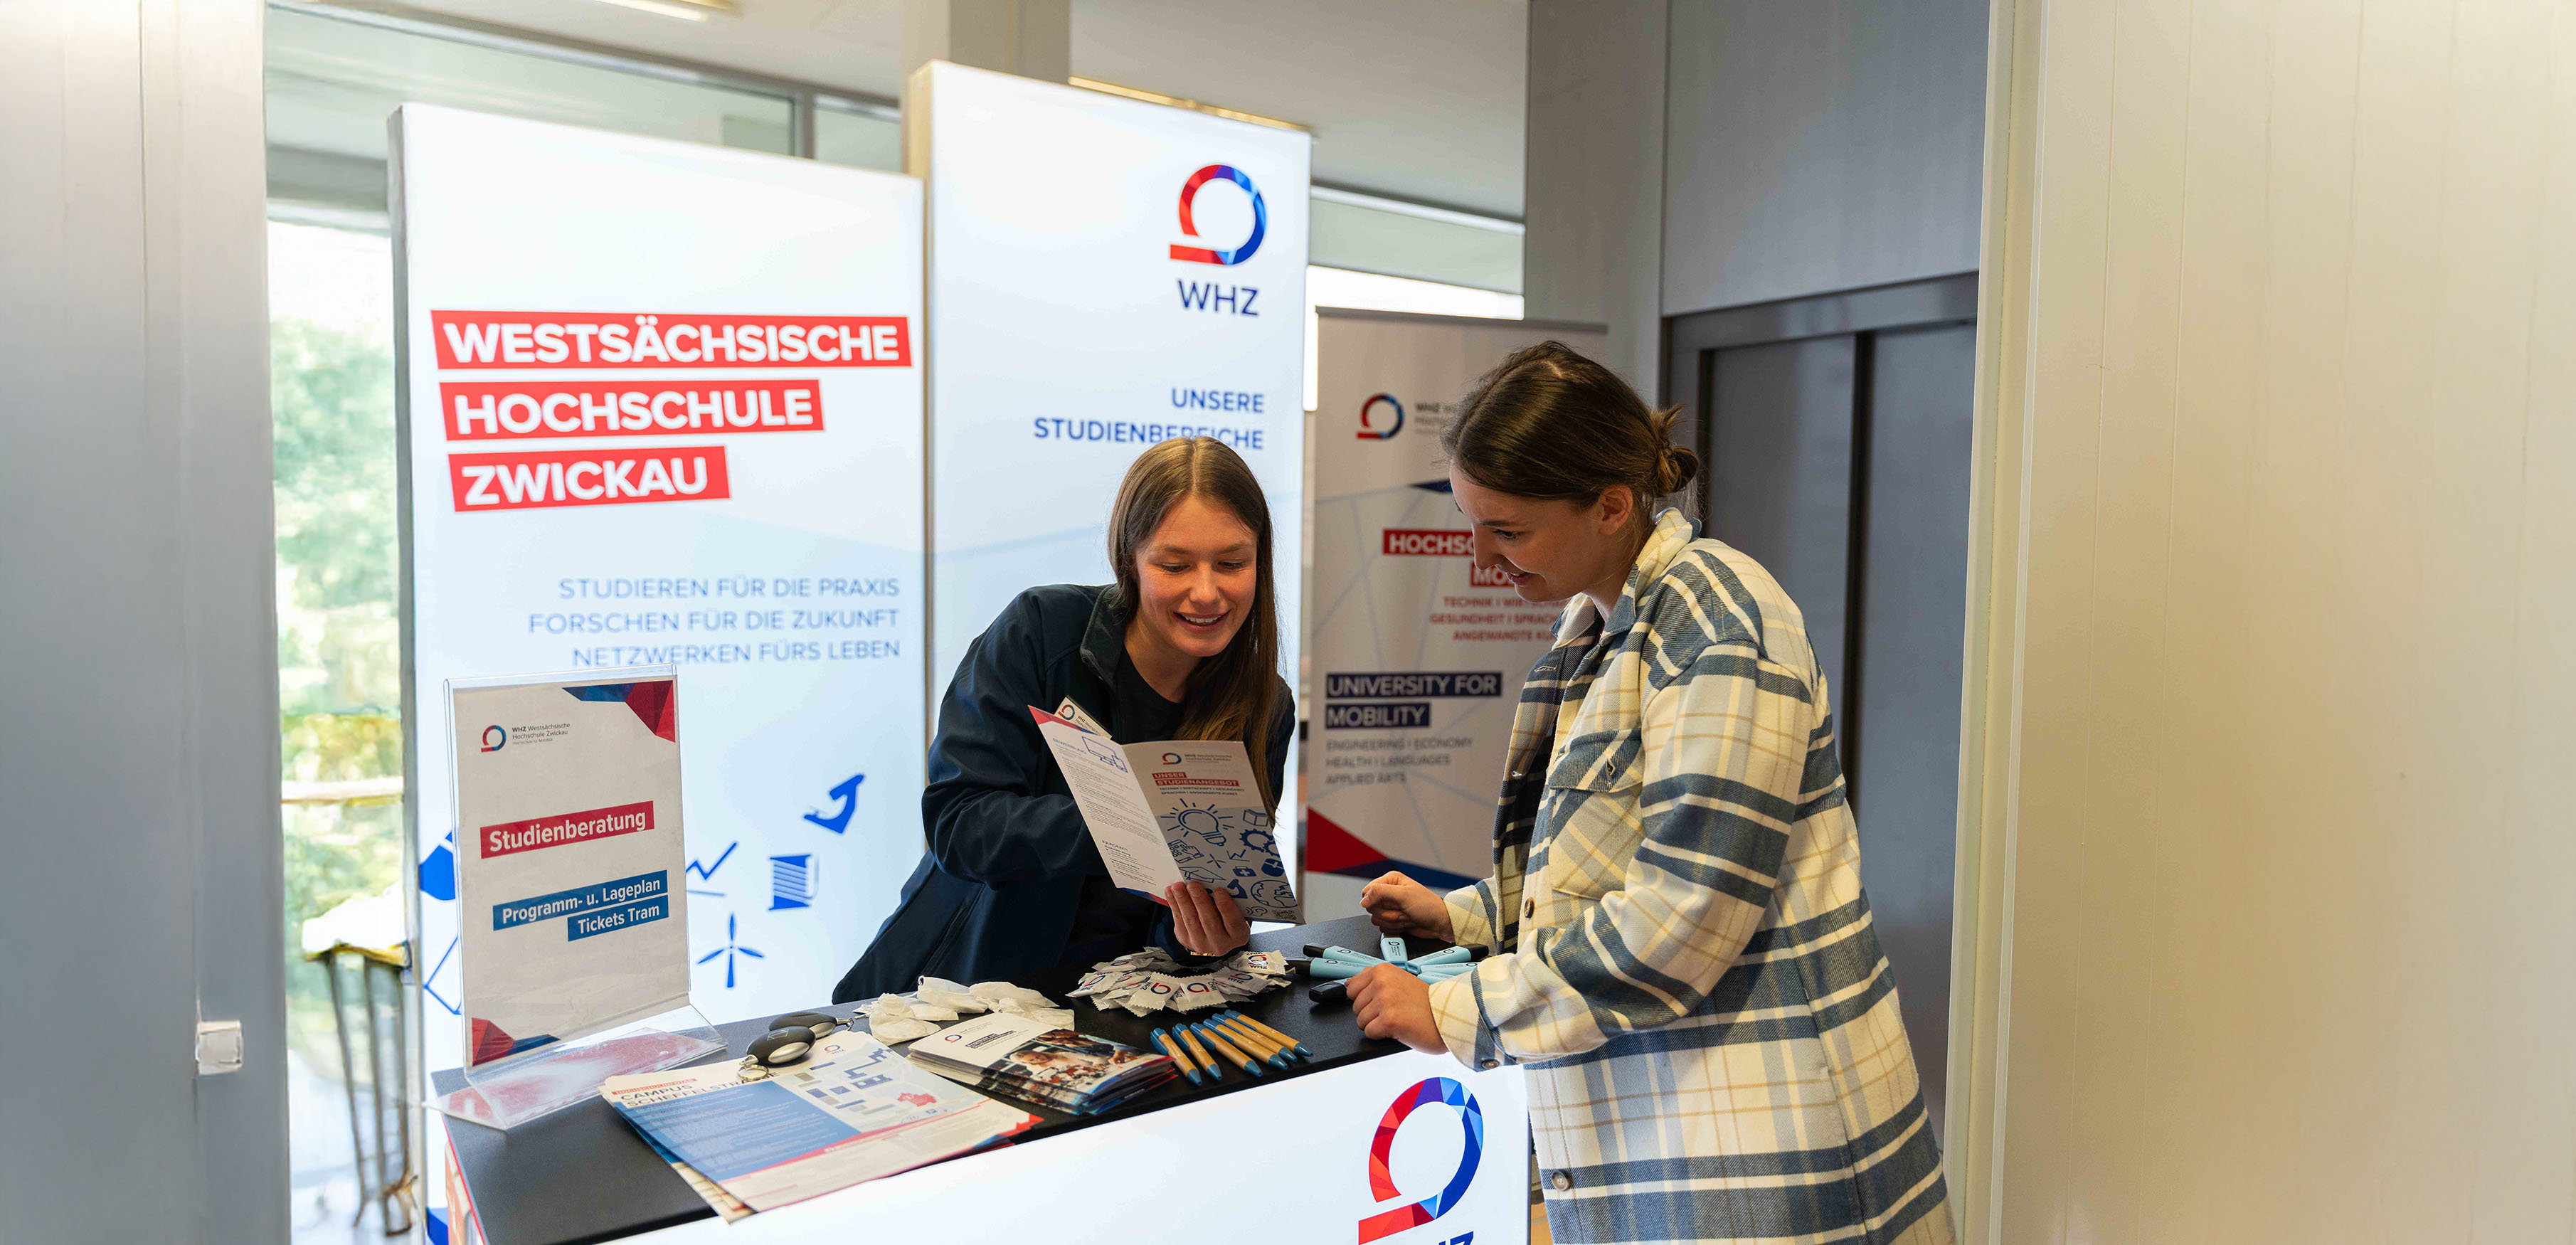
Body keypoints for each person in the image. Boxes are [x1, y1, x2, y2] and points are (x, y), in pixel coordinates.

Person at [1349, 343, 1952, 1244]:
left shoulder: (1716, 621)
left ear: (1612, 506)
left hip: (1767, 1157)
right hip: (1679, 1142)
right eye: (1475, 525)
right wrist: (1467, 914)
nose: (1482, 560)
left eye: (1507, 531)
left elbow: (1682, 916)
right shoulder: (1608, 620)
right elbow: (1610, 856)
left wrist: (1454, 1010)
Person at [832, 437, 1295, 1002]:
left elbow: (1192, 923)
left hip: (1112, 1012)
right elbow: (960, 826)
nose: (1206, 592)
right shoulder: (1042, 632)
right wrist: (1131, 826)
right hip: (960, 995)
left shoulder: (1264, 706)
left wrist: (1204, 936)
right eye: (1173, 565)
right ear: (1129, 558)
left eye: (1231, 563)